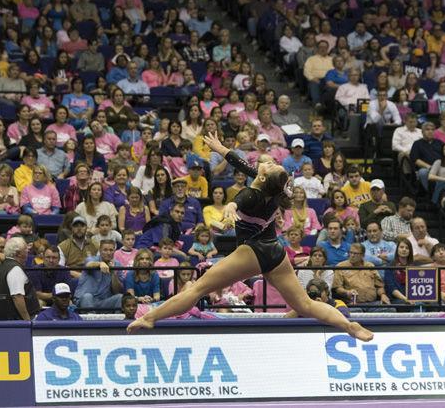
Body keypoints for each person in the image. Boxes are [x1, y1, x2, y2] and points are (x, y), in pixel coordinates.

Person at [128, 132, 374, 341]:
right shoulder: (273, 190)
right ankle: (348, 326)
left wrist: (230, 210)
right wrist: (223, 149)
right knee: (305, 305)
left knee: (197, 290)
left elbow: (237, 202)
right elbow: (244, 165)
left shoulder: (250, 193)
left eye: (267, 165)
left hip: (252, 251)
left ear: (263, 177)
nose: (264, 163)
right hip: (275, 253)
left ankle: (151, 317)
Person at [332, 243, 390, 310]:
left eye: (355, 253)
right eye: (350, 252)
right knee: (355, 311)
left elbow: (379, 286)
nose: (352, 255)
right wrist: (347, 292)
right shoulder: (341, 267)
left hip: (372, 303)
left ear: (362, 255)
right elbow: (337, 288)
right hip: (352, 303)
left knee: (389, 309)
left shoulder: (370, 266)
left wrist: (383, 295)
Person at [0, 237, 40, 320]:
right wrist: (27, 321)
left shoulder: (5, 265)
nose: (28, 252)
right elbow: (17, 297)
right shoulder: (15, 269)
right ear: (18, 253)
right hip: (16, 321)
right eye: (25, 249)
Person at [75, 240, 124, 310]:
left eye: (111, 250)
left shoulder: (117, 265)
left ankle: (115, 321)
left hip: (104, 301)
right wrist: (100, 263)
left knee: (120, 297)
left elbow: (117, 290)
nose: (108, 253)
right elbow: (89, 265)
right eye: (105, 250)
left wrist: (113, 273)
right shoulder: (91, 259)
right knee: (87, 297)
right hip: (86, 300)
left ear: (114, 251)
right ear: (100, 251)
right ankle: (91, 320)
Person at [285, 278, 350, 318]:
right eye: (312, 293)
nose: (316, 295)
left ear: (326, 292)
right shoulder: (305, 306)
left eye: (319, 292)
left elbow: (345, 318)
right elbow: (285, 320)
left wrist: (322, 307)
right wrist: (300, 307)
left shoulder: (337, 303)